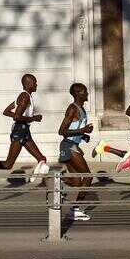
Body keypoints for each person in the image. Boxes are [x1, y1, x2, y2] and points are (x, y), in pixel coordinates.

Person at [55, 83, 96, 221]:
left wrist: (83, 135)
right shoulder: (73, 109)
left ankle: (54, 181)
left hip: (72, 144)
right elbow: (62, 131)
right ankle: (75, 209)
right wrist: (82, 131)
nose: (87, 93)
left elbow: (73, 128)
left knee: (77, 181)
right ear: (78, 93)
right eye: (84, 91)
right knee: (88, 176)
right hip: (69, 146)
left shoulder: (81, 109)